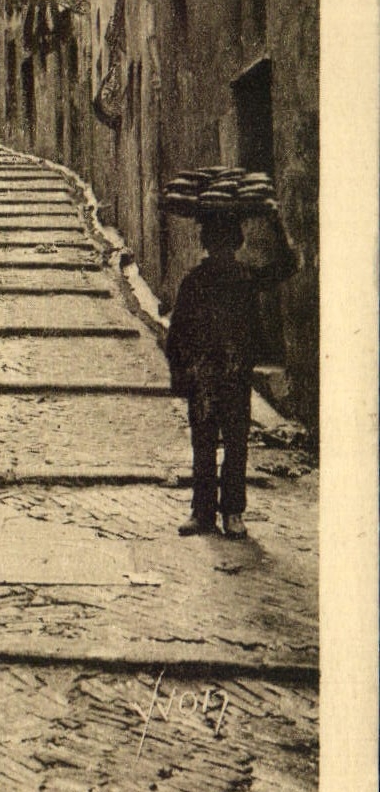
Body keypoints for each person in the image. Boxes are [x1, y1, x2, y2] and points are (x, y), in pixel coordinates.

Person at [166, 202, 297, 539]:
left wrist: (276, 222)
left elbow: (286, 265)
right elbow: (177, 332)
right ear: (209, 245)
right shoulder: (196, 281)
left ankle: (233, 512)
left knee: (236, 443)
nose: (222, 249)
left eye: (226, 242)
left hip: (236, 373)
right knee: (205, 442)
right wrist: (180, 373)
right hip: (205, 375)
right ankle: (203, 511)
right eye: (217, 242)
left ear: (234, 244)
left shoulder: (245, 279)